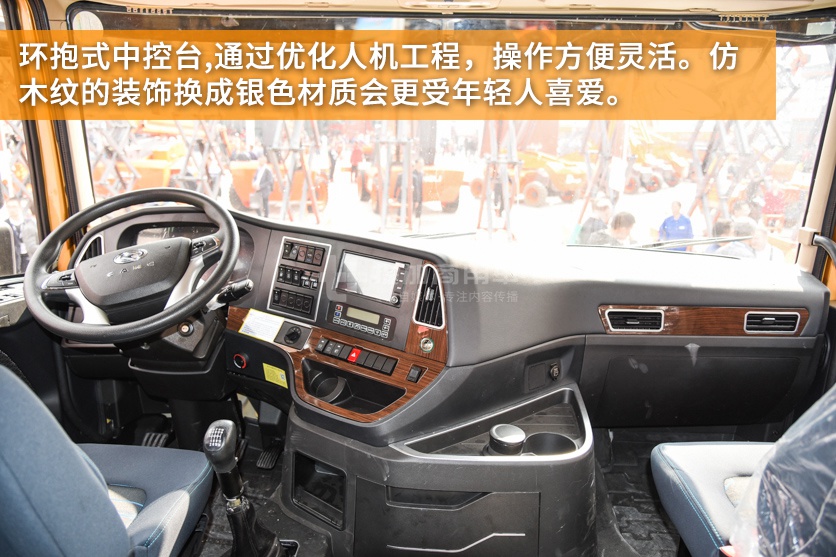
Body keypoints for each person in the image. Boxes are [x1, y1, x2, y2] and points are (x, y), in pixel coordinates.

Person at [4, 197, 38, 274]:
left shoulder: (30, 223)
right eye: (9, 207)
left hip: (29, 256)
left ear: (19, 207)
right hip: (14, 259)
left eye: (14, 206)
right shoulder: (5, 226)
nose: (12, 209)